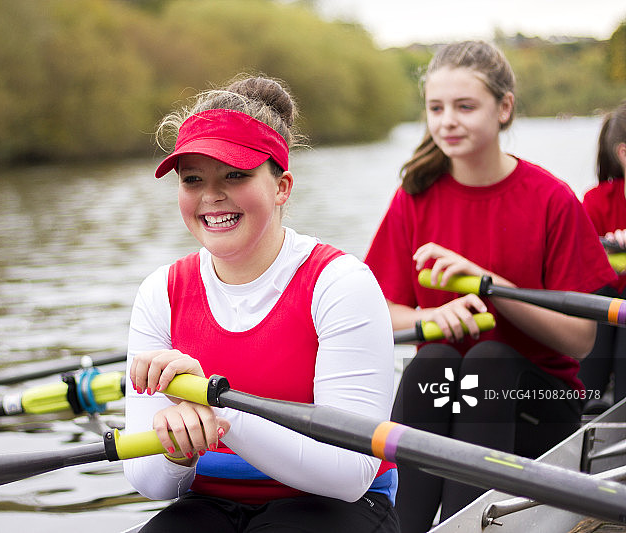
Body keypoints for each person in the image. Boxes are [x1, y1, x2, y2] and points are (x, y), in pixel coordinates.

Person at [123, 75, 400, 533]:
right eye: (192, 179)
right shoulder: (160, 293)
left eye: (235, 175)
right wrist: (178, 451)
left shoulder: (340, 284)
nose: (211, 195)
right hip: (211, 502)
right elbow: (149, 483)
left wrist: (216, 406)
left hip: (334, 504)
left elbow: (350, 475)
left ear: (281, 186)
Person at [363, 41, 616, 532]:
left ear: (504, 108)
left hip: (541, 407)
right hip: (448, 398)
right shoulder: (414, 198)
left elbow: (581, 341)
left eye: (465, 107)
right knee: (432, 360)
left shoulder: (552, 198)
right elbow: (380, 312)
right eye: (436, 108)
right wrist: (428, 318)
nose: (447, 122)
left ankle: (465, 524)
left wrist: (490, 287)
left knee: (488, 358)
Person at [580, 100, 626, 411]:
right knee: (602, 297)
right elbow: (579, 270)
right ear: (623, 153)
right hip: (605, 309)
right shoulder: (595, 202)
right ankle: (586, 406)